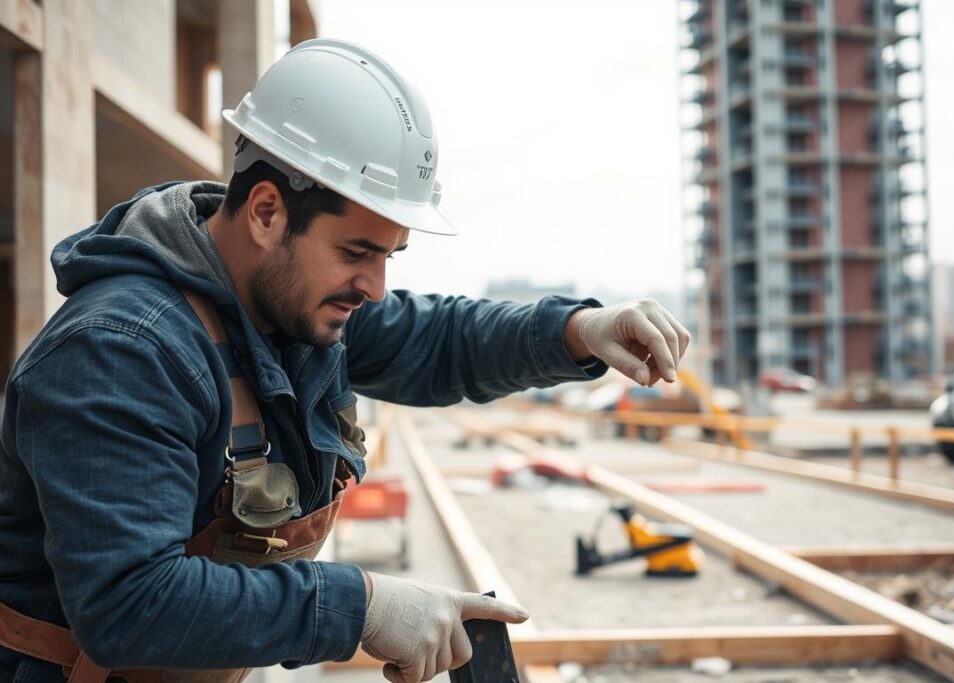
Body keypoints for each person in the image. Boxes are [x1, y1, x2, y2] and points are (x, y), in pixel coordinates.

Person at [0, 39, 689, 683]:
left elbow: (441, 339)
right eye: (358, 252)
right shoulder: (124, 351)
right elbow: (131, 605)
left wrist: (578, 329)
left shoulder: (293, 308)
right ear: (267, 212)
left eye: (388, 255)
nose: (375, 287)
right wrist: (361, 606)